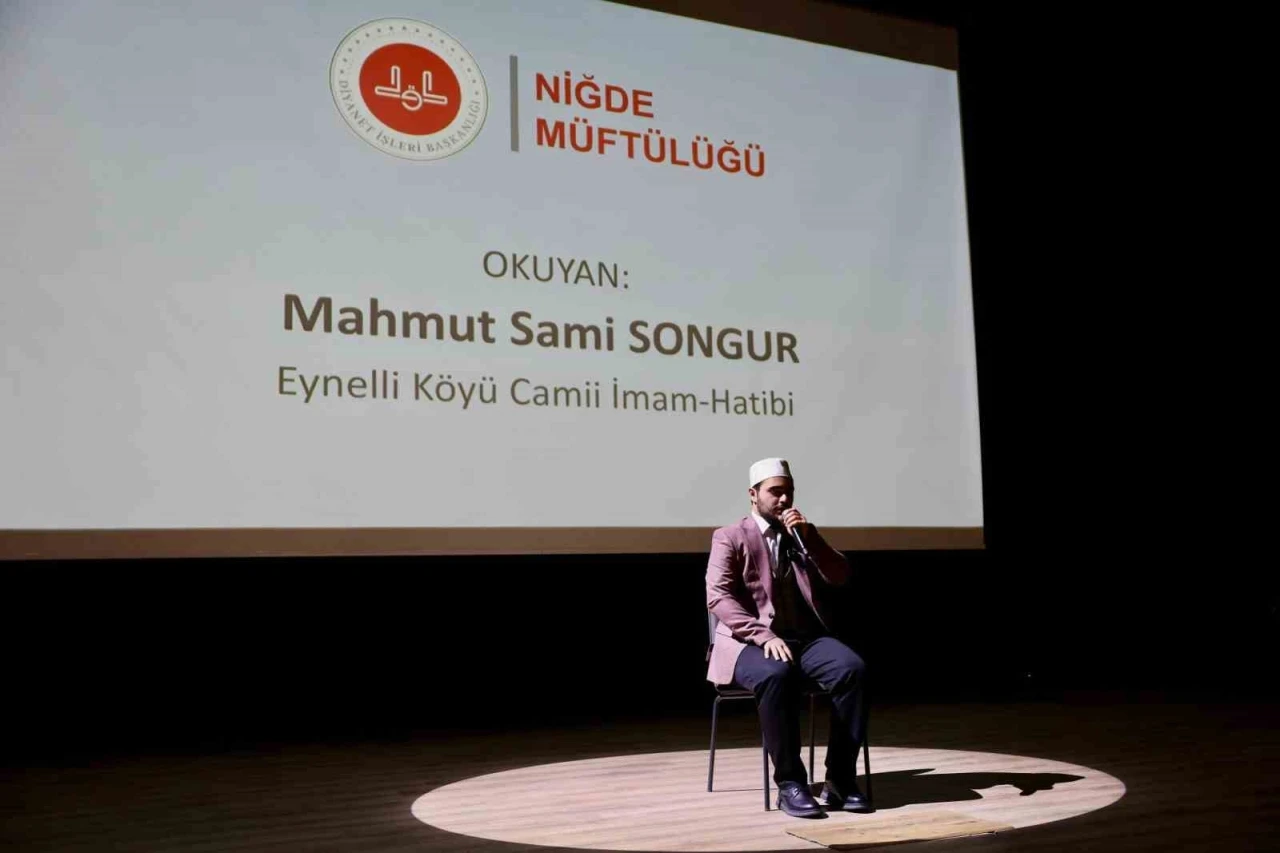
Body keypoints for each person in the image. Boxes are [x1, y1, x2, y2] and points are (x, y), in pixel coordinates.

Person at [705, 457, 871, 818]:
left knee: (852, 669)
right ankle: (791, 784)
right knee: (775, 674)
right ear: (753, 494)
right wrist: (762, 636)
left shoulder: (799, 535)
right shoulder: (730, 536)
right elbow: (717, 597)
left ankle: (840, 780)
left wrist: (812, 538)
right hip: (747, 643)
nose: (784, 499)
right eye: (775, 491)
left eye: (789, 492)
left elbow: (840, 575)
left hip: (803, 639)